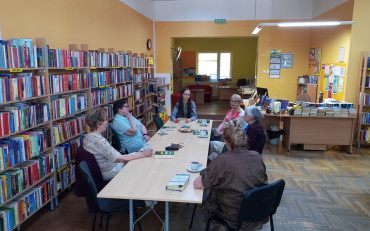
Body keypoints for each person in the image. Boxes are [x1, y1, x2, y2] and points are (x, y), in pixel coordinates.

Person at [194, 120, 268, 231]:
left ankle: (222, 227)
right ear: (245, 139)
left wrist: (206, 171)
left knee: (212, 193)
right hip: (258, 210)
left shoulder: (223, 160)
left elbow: (198, 184)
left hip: (234, 214)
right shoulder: (257, 156)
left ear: (225, 141)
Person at [83, 107, 153, 181]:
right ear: (98, 124)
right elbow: (119, 158)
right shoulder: (99, 140)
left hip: (105, 168)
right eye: (105, 120)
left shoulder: (88, 136)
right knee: (140, 160)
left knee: (135, 155)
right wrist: (143, 155)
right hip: (111, 171)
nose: (107, 122)